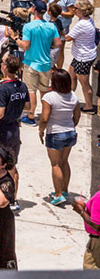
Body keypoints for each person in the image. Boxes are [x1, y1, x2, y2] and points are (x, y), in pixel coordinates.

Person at [40, 67, 81, 205]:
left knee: (55, 164)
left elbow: (45, 118)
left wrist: (41, 131)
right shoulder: (73, 96)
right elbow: (77, 116)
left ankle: (58, 195)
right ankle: (64, 190)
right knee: (65, 162)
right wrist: (71, 126)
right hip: (70, 132)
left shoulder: (49, 97)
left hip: (55, 133)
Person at [18, 0, 61, 121]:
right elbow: (58, 43)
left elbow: (25, 45)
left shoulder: (28, 26)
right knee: (44, 91)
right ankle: (46, 115)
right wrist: (46, 45)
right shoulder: (51, 26)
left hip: (31, 64)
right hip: (46, 64)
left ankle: (30, 115)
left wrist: (16, 39)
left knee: (31, 91)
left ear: (34, 10)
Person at [0, 54, 29, 160]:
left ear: (5, 67)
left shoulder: (3, 89)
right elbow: (27, 106)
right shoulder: (22, 86)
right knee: (10, 163)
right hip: (14, 129)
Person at [67, 0, 97, 113]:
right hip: (81, 56)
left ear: (83, 10)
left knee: (84, 84)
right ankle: (69, 98)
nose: (73, 10)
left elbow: (69, 37)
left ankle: (89, 106)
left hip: (83, 58)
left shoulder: (82, 24)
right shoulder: (87, 20)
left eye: (76, 8)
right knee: (71, 76)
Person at [70, 186, 100, 268]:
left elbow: (97, 226)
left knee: (91, 268)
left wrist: (81, 211)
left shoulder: (99, 197)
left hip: (97, 242)